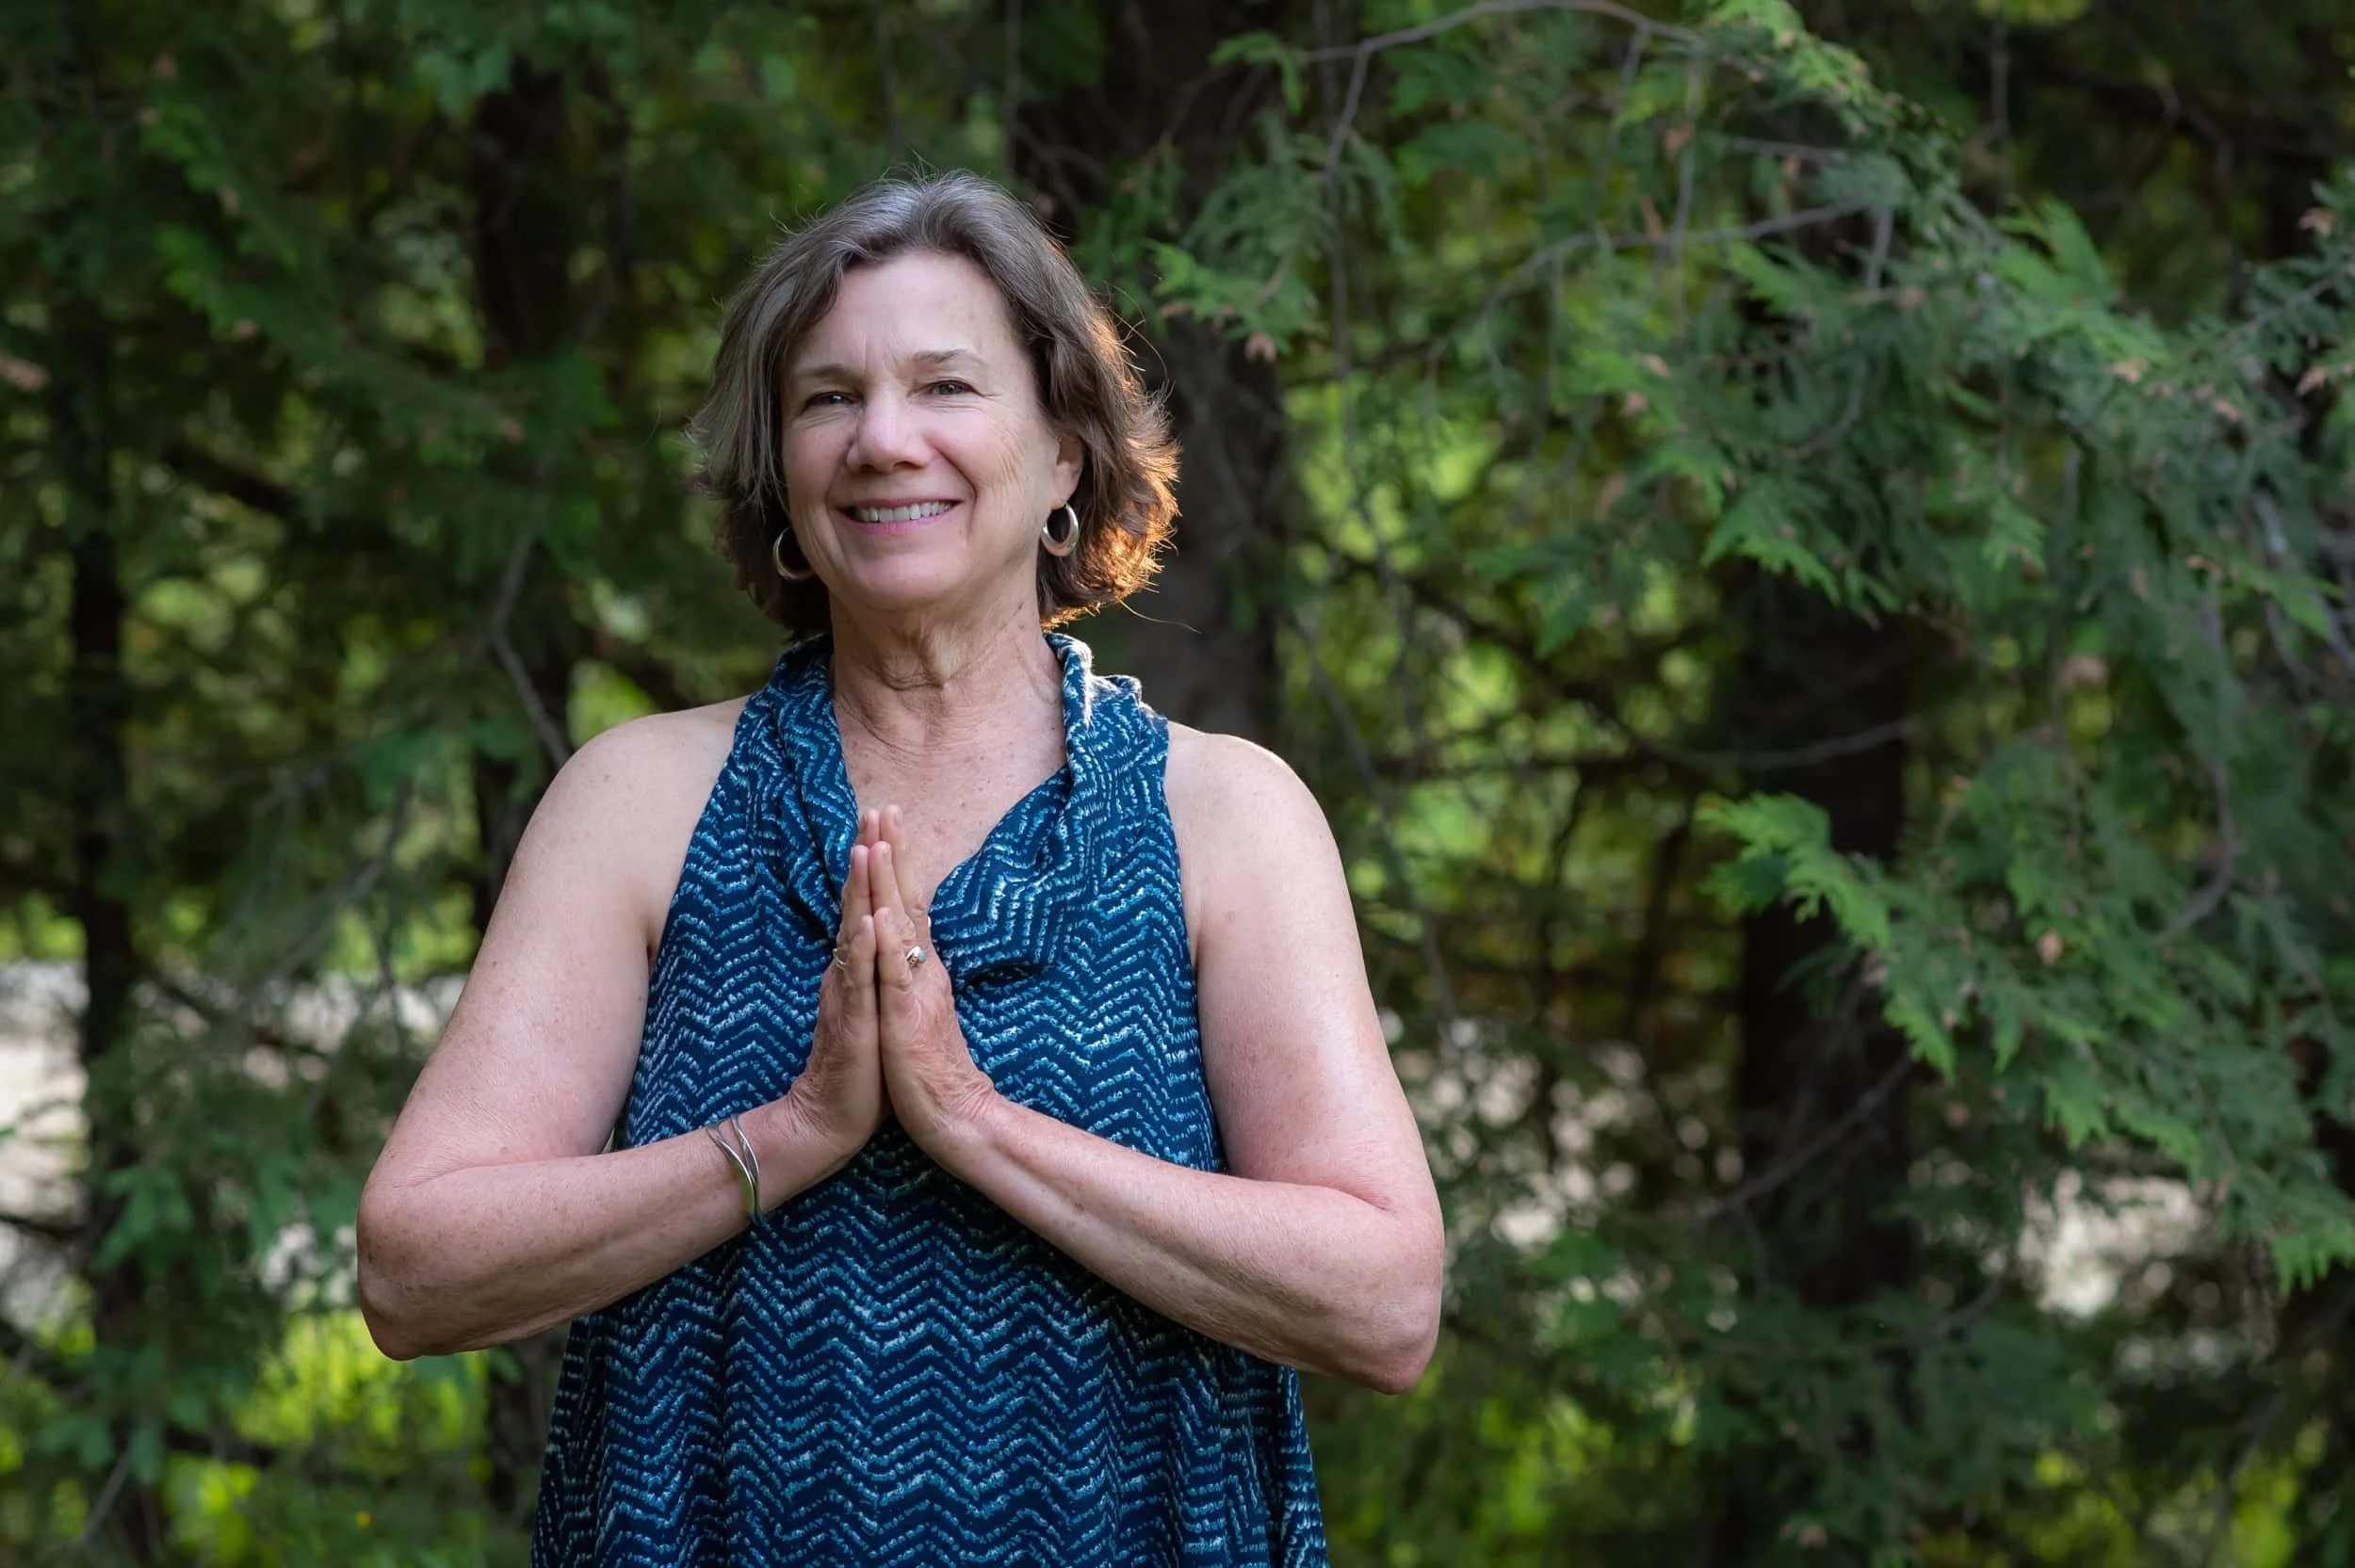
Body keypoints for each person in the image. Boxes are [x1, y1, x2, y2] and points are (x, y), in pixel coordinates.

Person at [356, 170, 1442, 1567]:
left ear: (1063, 457)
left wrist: (974, 1124)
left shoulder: (1225, 819)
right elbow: (413, 1271)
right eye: (826, 399)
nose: (881, 441)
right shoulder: (639, 803)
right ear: (781, 472)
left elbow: (1385, 1303)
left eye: (946, 387)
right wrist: (793, 1134)